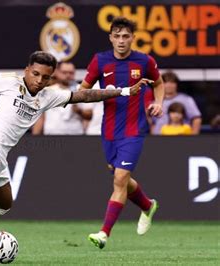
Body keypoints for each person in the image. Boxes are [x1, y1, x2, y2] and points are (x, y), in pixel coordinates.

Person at [0, 51, 149, 260]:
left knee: (4, 204)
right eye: (35, 74)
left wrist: (125, 90)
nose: (39, 81)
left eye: (46, 77)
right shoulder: (7, 82)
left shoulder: (48, 96)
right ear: (27, 70)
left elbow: (85, 96)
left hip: (1, 155)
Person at [79, 17, 164, 249]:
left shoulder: (144, 61)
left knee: (119, 179)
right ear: (110, 38)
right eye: (117, 36)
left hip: (134, 130)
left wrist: (158, 103)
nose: (121, 40)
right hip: (108, 131)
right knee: (121, 178)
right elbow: (82, 91)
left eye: (126, 36)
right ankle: (147, 205)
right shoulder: (100, 61)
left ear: (132, 38)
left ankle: (104, 233)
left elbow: (159, 83)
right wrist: (99, 95)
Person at [32, 61, 93, 135]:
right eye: (64, 72)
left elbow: (90, 115)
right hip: (52, 135)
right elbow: (40, 118)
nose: (68, 75)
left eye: (71, 73)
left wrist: (79, 111)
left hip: (75, 135)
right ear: (57, 72)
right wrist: (34, 138)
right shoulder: (46, 92)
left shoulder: (81, 91)